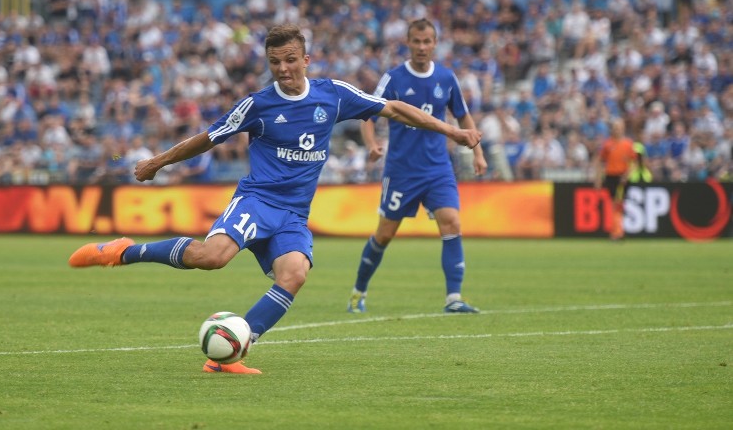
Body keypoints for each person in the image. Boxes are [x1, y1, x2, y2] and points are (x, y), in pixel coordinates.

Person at [68, 24, 482, 374]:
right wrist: (158, 162)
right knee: (211, 258)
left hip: (293, 216)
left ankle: (232, 351)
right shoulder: (258, 105)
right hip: (257, 201)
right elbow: (209, 138)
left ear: (306, 59)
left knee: (295, 274)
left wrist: (454, 132)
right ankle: (124, 251)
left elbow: (393, 108)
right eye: (274, 63)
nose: (282, 69)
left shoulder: (333, 94)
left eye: (289, 60)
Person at [347, 18, 487, 315]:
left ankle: (454, 298)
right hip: (401, 170)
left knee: (452, 223)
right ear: (408, 43)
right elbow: (368, 115)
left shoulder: (447, 78)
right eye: (417, 41)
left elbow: (463, 117)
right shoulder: (394, 79)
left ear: (435, 44)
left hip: (438, 169)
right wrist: (372, 145)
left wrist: (477, 152)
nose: (422, 47)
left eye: (427, 42)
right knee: (384, 235)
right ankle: (358, 292)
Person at [593, 118, 636, 241]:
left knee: (618, 204)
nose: (617, 129)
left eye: (619, 127)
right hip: (611, 176)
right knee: (614, 204)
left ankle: (617, 232)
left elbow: (633, 162)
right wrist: (598, 179)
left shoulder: (628, 144)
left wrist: (627, 175)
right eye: (615, 127)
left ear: (623, 128)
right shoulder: (608, 144)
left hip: (622, 177)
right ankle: (617, 231)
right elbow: (601, 162)